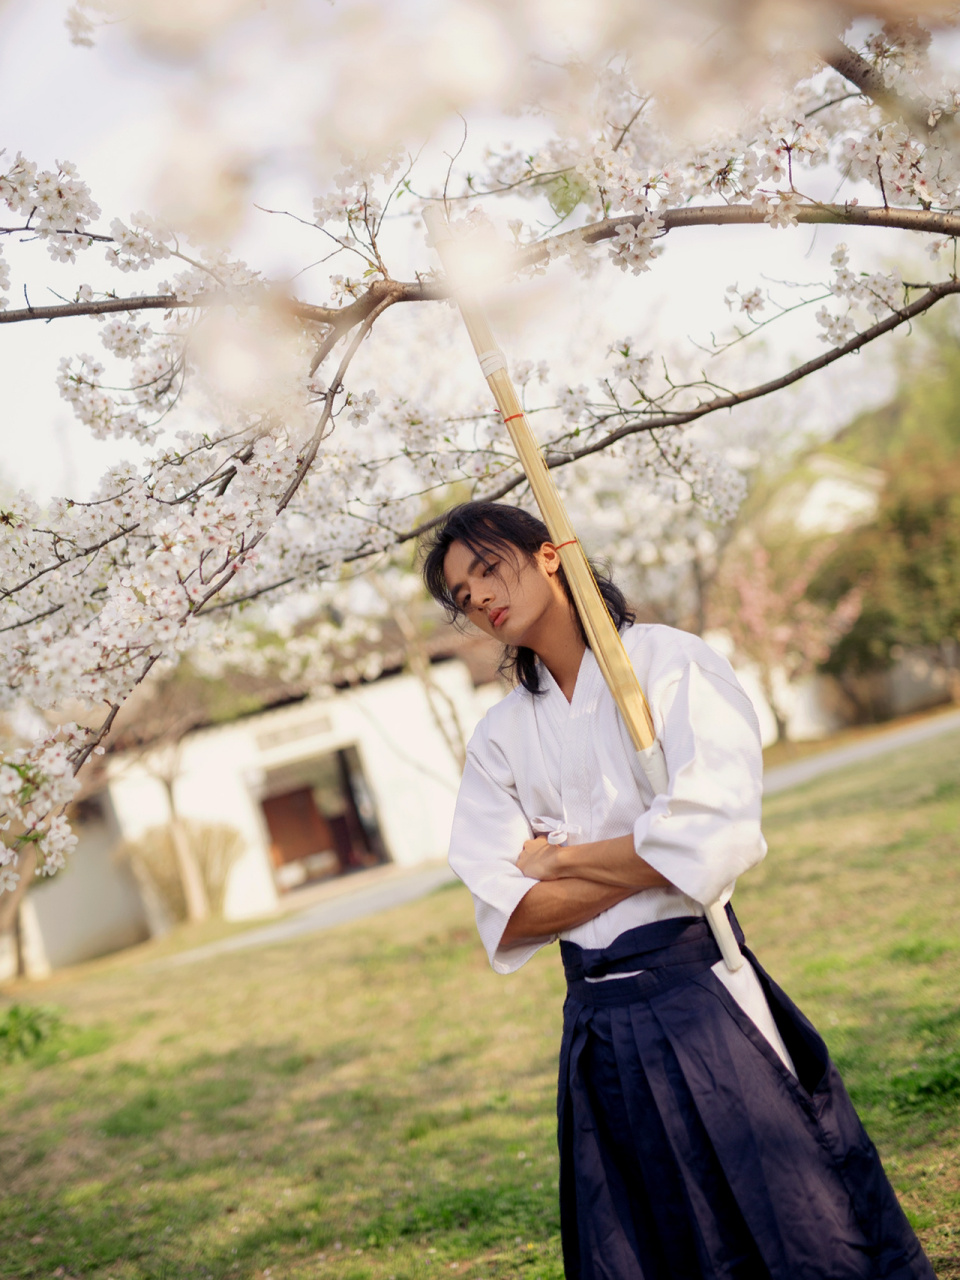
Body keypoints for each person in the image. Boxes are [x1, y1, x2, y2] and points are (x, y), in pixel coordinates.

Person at [420, 500, 934, 1280]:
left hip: (702, 993)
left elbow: (713, 841)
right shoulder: (499, 736)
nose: (480, 598)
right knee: (645, 1245)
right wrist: (643, 851)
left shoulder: (668, 664)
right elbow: (511, 912)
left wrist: (561, 861)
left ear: (549, 552)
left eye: (490, 567)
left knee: (795, 1229)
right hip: (594, 1021)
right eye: (462, 595)